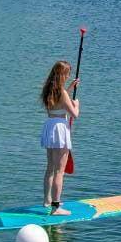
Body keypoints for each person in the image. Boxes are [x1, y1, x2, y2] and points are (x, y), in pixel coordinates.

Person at [40, 60, 80, 215]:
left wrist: (69, 89)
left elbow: (59, 101)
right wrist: (76, 104)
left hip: (50, 126)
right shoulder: (62, 93)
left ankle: (47, 200)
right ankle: (56, 207)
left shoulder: (48, 90)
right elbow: (74, 114)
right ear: (63, 75)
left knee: (50, 167)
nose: (68, 76)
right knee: (59, 171)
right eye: (67, 74)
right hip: (60, 129)